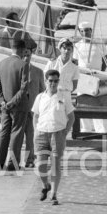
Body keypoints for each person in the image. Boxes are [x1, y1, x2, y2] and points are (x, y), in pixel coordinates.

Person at [32, 69, 75, 206]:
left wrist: (65, 132)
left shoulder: (64, 97)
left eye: (56, 81)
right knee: (40, 166)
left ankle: (54, 194)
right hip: (41, 132)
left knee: (56, 164)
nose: (53, 83)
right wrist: (35, 131)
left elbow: (71, 117)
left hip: (57, 133)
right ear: (45, 81)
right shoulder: (40, 97)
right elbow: (35, 116)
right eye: (50, 81)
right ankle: (45, 185)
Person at [0, 39, 30, 171]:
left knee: (4, 133)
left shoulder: (1, 63)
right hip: (18, 106)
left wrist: (2, 101)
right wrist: (12, 103)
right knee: (16, 133)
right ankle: (12, 164)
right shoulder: (23, 65)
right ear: (23, 50)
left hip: (4, 106)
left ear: (12, 48)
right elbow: (24, 88)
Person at [74, 21, 107, 133]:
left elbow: (105, 60)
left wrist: (99, 73)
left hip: (96, 76)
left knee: (98, 101)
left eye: (87, 30)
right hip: (82, 76)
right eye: (82, 31)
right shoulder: (77, 46)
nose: (85, 33)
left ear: (91, 31)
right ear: (80, 32)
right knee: (83, 102)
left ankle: (100, 128)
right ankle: (86, 127)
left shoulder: (99, 43)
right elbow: (75, 62)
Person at [22, 39, 44, 168]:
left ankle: (29, 160)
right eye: (23, 54)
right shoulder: (15, 70)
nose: (26, 57)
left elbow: (42, 91)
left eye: (28, 55)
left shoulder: (38, 72)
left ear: (31, 55)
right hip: (18, 109)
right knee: (17, 136)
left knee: (30, 135)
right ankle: (12, 160)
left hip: (32, 109)